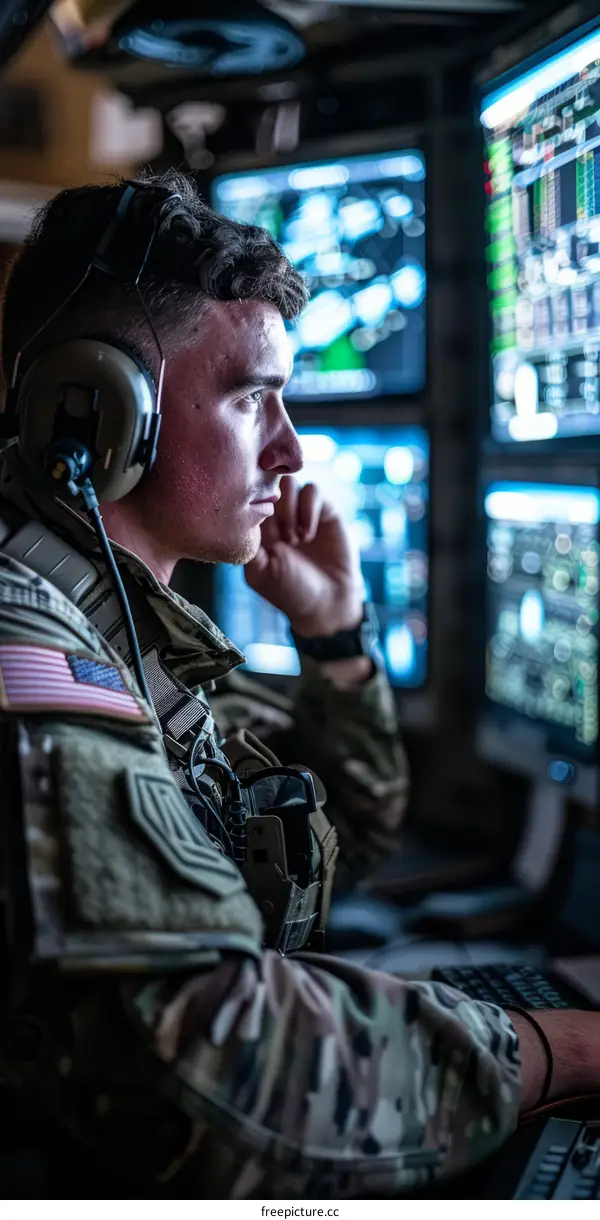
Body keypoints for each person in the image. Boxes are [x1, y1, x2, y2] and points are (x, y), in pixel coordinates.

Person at [0, 170, 596, 1201]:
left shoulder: (112, 619)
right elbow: (225, 1076)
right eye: (252, 398)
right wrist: (564, 1047)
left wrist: (332, 633)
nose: (290, 449)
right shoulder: (29, 639)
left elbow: (321, 848)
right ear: (98, 410)